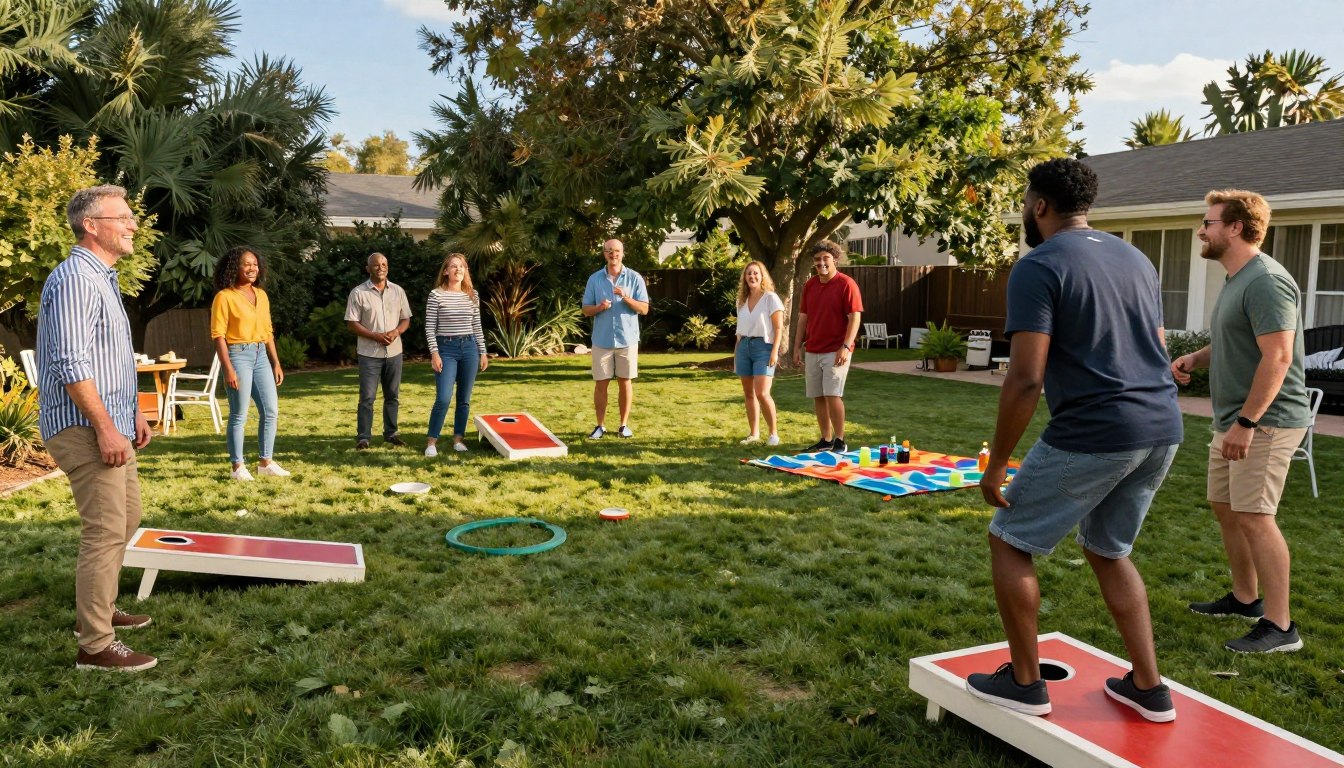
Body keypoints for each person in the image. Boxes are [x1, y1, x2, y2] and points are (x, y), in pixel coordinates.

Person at [970, 158, 1184, 723]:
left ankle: (1024, 684)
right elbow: (1157, 344)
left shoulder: (1038, 265)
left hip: (1095, 429)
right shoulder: (1135, 258)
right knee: (1109, 549)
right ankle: (1148, 686)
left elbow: (1025, 377)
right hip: (1161, 425)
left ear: (1039, 205)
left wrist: (998, 466)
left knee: (1010, 540)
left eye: (1026, 200)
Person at [1171, 189, 1311, 654]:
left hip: (1265, 421)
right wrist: (1197, 356)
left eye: (1208, 222)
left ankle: (1281, 626)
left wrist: (1247, 424)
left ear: (1234, 228)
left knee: (1255, 516)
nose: (1201, 230)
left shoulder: (1266, 281)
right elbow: (1240, 342)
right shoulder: (1237, 279)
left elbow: (1278, 355)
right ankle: (1246, 598)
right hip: (1234, 418)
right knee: (1227, 509)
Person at [36, 185, 157, 671]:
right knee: (105, 529)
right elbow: (70, 360)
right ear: (92, 224)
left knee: (126, 517)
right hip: (85, 427)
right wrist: (106, 428)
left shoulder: (101, 277)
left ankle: (100, 608)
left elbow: (106, 359)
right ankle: (95, 645)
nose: (132, 225)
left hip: (109, 420)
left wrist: (131, 412)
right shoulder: (75, 280)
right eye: (123, 217)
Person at [211, 246, 290, 481]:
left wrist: (275, 362)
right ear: (235, 267)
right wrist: (228, 368)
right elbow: (218, 335)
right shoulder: (224, 297)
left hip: (261, 356)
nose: (252, 268)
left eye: (255, 264)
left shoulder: (261, 295)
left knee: (271, 410)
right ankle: (237, 467)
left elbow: (268, 332)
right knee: (239, 414)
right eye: (246, 264)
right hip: (238, 355)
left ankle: (266, 462)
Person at [791, 240, 861, 453]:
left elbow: (854, 318)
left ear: (835, 260)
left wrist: (846, 346)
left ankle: (840, 441)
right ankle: (826, 439)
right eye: (817, 259)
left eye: (826, 259)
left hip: (836, 350)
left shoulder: (846, 284)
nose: (821, 263)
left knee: (832, 395)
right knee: (818, 396)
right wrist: (796, 347)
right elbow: (803, 318)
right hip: (813, 349)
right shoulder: (810, 286)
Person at [581, 239, 649, 439]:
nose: (613, 254)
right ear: (604, 254)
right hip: (602, 340)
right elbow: (585, 309)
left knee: (625, 381)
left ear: (623, 253)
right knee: (601, 383)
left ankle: (623, 425)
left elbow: (644, 309)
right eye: (609, 251)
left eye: (617, 251)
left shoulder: (634, 278)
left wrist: (626, 298)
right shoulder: (594, 279)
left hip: (627, 339)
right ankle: (600, 426)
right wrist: (600, 307)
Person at [345, 252, 412, 450]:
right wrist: (374, 336)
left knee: (392, 395)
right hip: (369, 354)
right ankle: (364, 437)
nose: (381, 267)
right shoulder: (358, 293)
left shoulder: (398, 291)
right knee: (367, 397)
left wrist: (396, 332)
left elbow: (406, 318)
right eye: (376, 265)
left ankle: (391, 434)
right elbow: (351, 323)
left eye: (384, 264)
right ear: (368, 269)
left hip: (394, 352)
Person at [425, 253, 489, 456]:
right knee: (443, 398)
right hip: (446, 348)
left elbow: (476, 325)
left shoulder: (472, 294)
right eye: (453, 266)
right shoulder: (436, 295)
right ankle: (431, 442)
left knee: (464, 398)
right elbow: (429, 328)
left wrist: (483, 351)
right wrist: (435, 353)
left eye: (462, 266)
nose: (458, 269)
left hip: (469, 347)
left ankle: (458, 439)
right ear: (445, 271)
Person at [734, 261, 784, 446]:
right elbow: (740, 330)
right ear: (745, 278)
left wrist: (775, 352)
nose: (752, 277)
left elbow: (778, 328)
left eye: (756, 273)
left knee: (762, 393)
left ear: (762, 276)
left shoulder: (771, 298)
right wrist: (736, 352)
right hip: (743, 346)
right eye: (749, 274)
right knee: (748, 394)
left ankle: (773, 434)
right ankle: (754, 433)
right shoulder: (741, 301)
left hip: (764, 347)